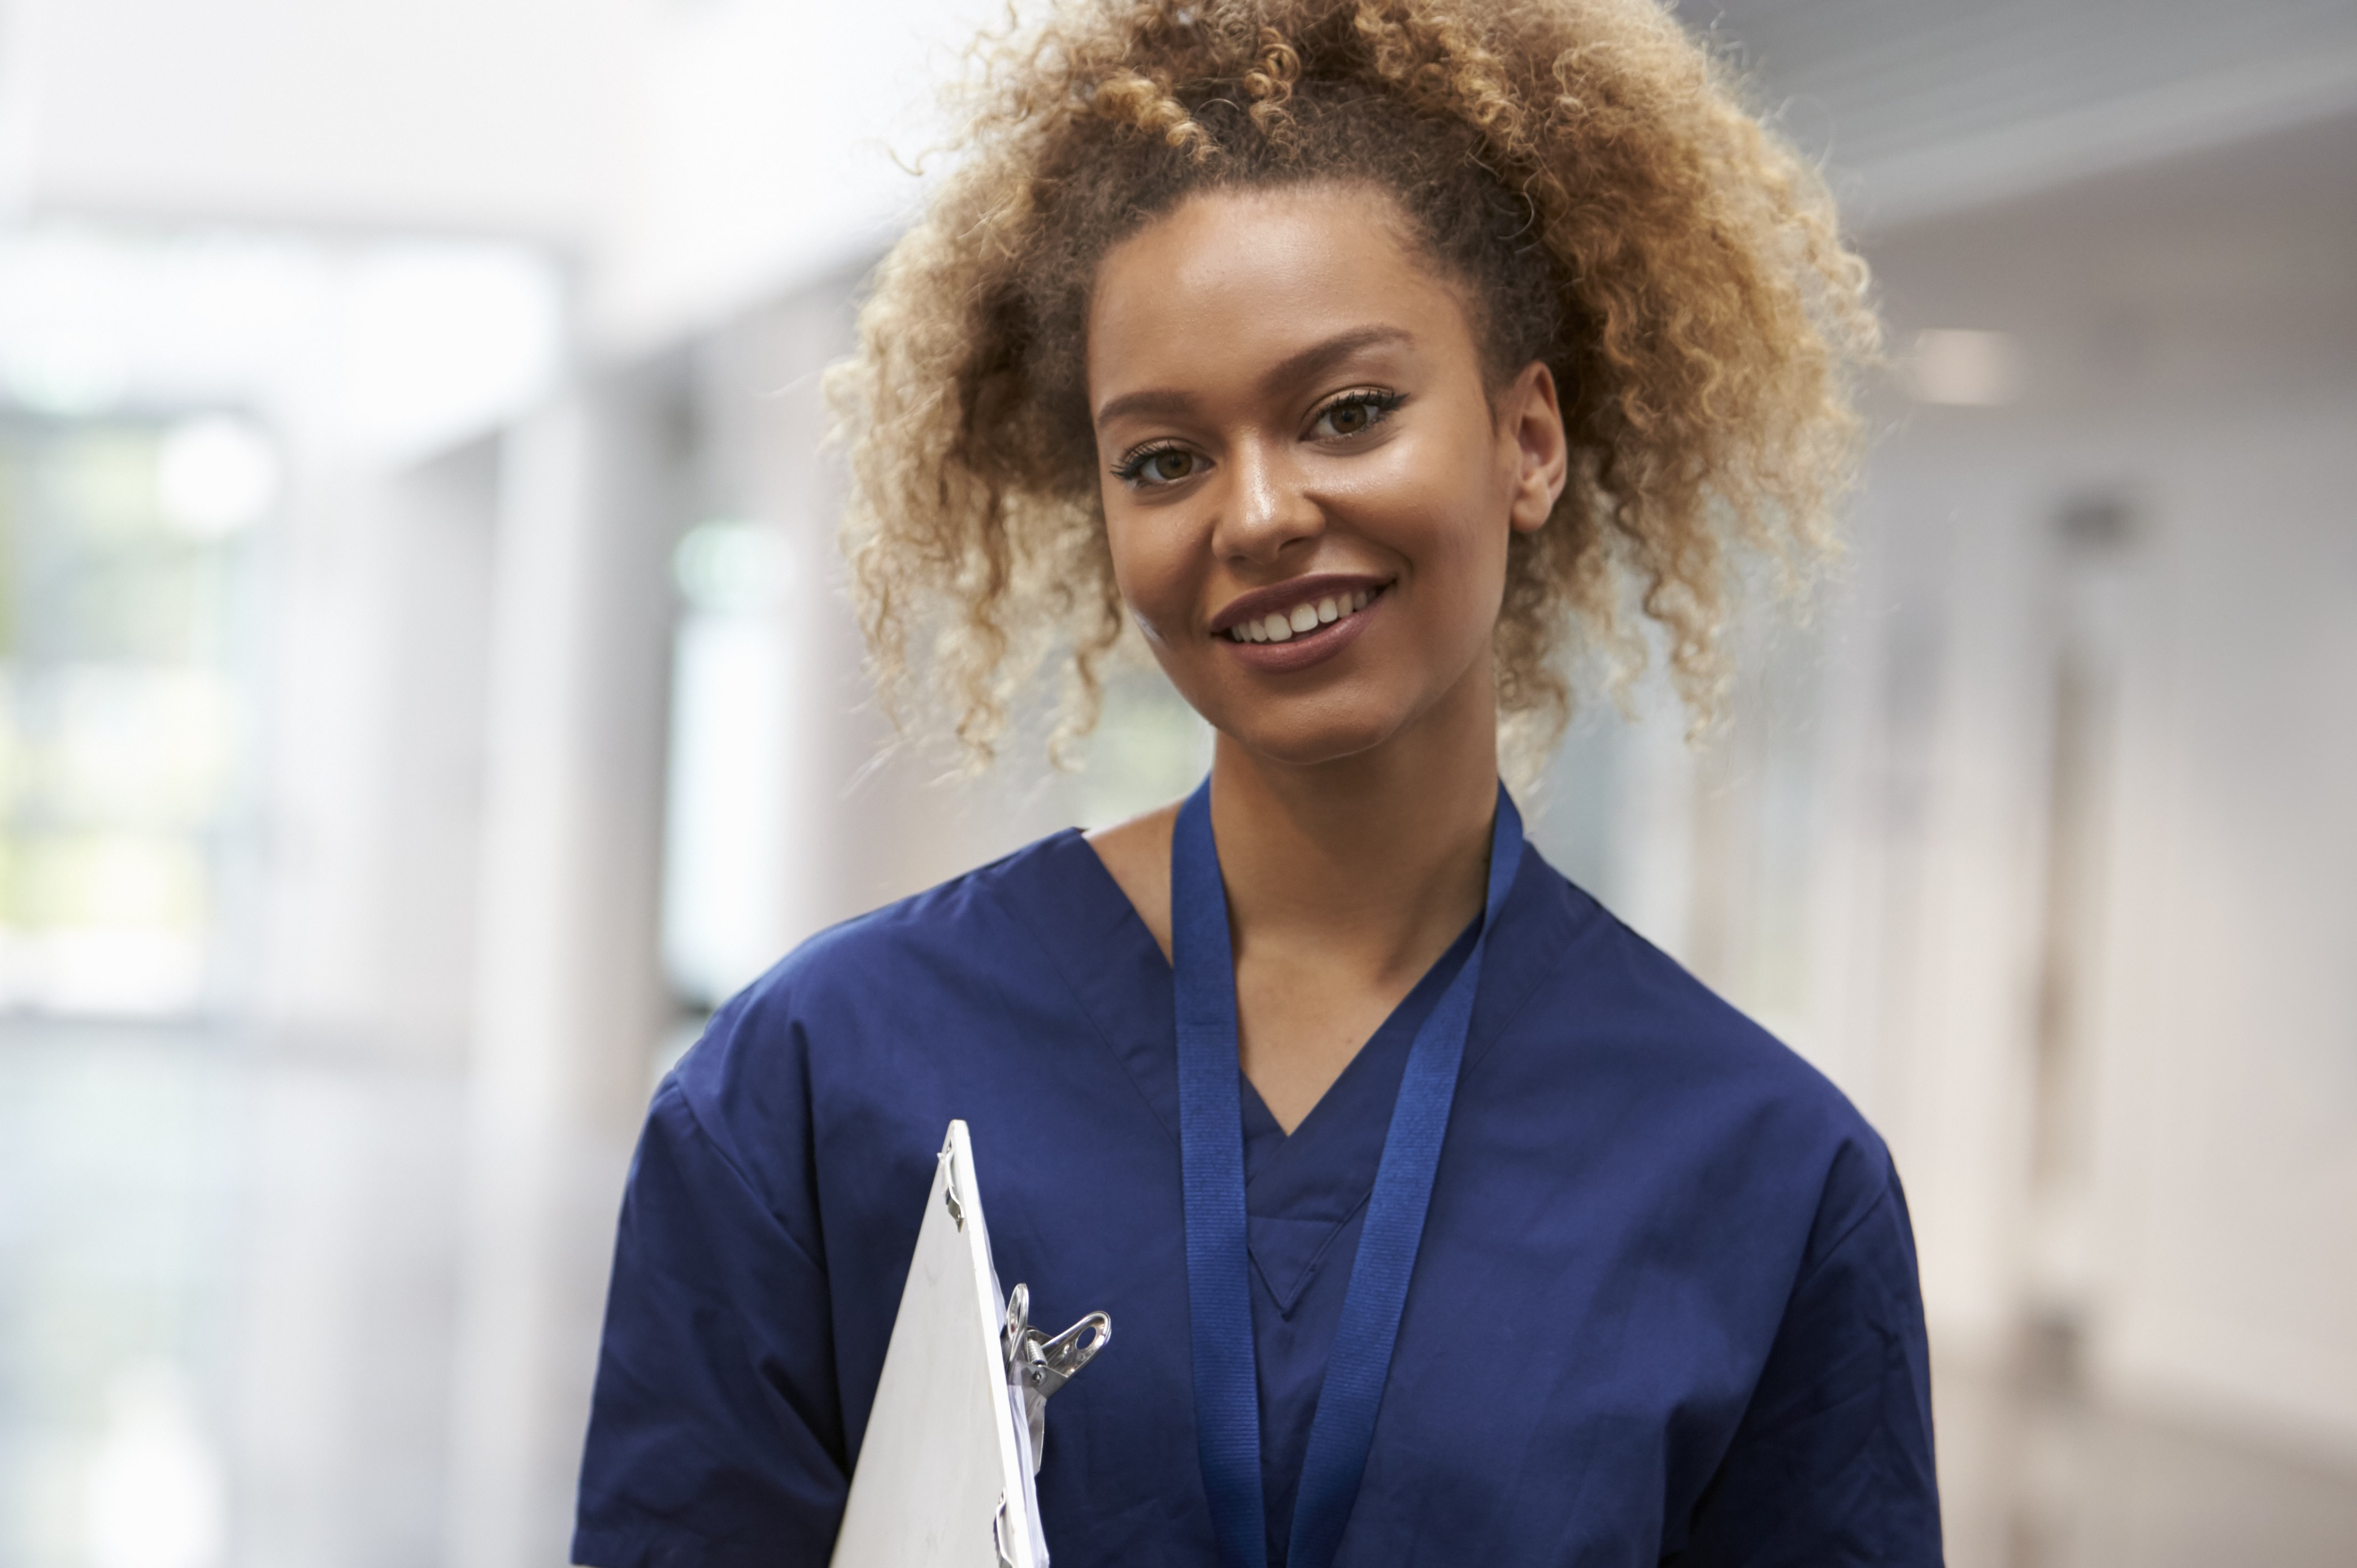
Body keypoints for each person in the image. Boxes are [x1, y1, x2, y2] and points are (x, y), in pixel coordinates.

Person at [573, 1, 1936, 1563]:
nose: (1263, 512)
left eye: (1349, 413)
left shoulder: (1761, 1175)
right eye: (1163, 458)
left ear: (1530, 439)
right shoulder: (821, 1086)